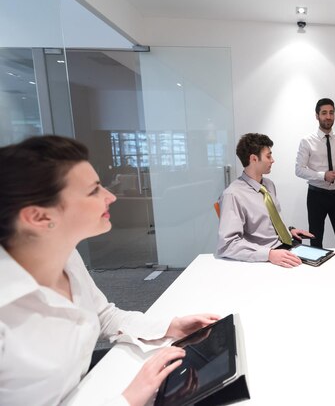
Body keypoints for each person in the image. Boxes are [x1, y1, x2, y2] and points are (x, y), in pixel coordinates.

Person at [0, 135, 220, 406]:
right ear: (39, 217)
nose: (111, 196)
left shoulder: (65, 254)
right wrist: (128, 399)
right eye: (94, 191)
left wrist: (170, 326)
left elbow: (103, 316)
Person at [216, 133, 313, 268]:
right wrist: (269, 254)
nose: (272, 160)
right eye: (268, 156)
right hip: (267, 257)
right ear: (254, 159)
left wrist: (288, 231)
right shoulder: (233, 195)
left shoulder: (268, 185)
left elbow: (268, 222)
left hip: (287, 246)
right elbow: (227, 245)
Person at [295, 98, 335, 248]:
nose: (328, 116)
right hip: (316, 197)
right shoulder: (306, 141)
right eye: (324, 113)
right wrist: (322, 176)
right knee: (316, 240)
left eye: (331, 113)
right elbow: (299, 169)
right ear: (317, 115)